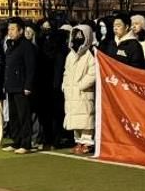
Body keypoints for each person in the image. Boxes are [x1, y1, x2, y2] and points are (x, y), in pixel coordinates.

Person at [63, 24, 99, 155]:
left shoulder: (90, 54)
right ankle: (78, 141)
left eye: (81, 35)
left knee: (86, 117)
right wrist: (65, 85)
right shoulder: (70, 55)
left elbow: (93, 73)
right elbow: (66, 72)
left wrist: (81, 85)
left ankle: (87, 142)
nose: (78, 38)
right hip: (71, 92)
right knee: (74, 117)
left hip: (84, 92)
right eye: (76, 35)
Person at [4, 18, 37, 153]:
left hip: (21, 87)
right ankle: (16, 141)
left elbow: (31, 68)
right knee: (13, 116)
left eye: (13, 29)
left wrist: (28, 86)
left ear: (21, 30)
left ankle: (26, 143)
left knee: (24, 116)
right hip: (11, 85)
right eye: (9, 29)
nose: (10, 32)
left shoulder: (26, 46)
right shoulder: (11, 45)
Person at [34, 23, 68, 149]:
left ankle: (55, 140)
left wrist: (57, 85)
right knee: (45, 115)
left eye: (48, 29)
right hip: (43, 86)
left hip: (55, 87)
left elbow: (60, 69)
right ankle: (47, 139)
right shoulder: (41, 47)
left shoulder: (61, 50)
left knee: (55, 115)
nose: (46, 32)